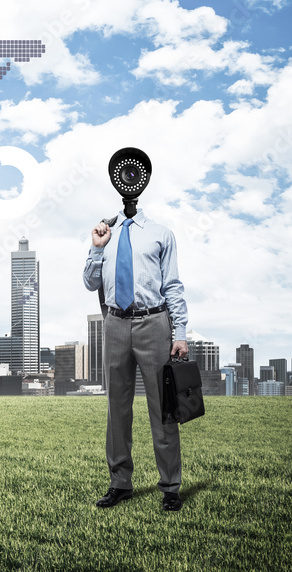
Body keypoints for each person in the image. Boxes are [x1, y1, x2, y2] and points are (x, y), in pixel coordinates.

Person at [83, 208, 189, 512]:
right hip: (114, 323)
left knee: (163, 408)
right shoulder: (105, 234)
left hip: (154, 323)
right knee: (117, 408)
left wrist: (179, 332)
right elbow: (90, 283)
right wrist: (95, 247)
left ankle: (170, 487)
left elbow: (172, 284)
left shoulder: (161, 233)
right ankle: (120, 484)